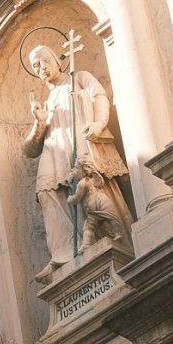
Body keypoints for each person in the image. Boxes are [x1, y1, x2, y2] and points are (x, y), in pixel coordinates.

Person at [20, 37, 131, 271]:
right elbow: (29, 150)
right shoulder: (47, 103)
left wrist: (99, 122)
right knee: (46, 191)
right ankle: (64, 253)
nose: (41, 69)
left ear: (56, 60)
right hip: (55, 150)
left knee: (87, 190)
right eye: (35, 67)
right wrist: (39, 123)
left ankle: (100, 240)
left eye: (43, 61)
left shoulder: (78, 79)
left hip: (80, 141)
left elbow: (99, 96)